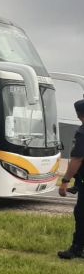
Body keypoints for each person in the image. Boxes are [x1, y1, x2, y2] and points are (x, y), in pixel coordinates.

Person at [58, 99, 84, 259]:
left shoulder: (82, 132)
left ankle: (77, 249)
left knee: (81, 214)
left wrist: (65, 181)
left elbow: (77, 159)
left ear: (78, 114)